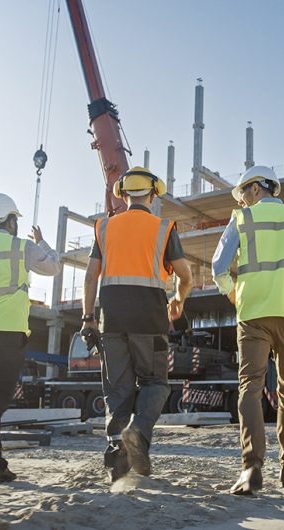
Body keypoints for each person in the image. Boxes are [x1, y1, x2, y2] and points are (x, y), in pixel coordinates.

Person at [212, 165, 284, 495]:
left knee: (250, 387)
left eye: (243, 195)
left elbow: (217, 267)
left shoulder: (242, 219)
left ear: (254, 188)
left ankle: (251, 468)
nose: (243, 202)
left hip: (252, 313)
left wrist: (232, 292)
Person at [81, 167, 192, 482]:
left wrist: (88, 317)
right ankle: (138, 432)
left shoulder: (104, 227)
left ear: (123, 193)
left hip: (112, 320)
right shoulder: (164, 228)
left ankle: (118, 462)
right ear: (154, 194)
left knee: (118, 390)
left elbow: (91, 276)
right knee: (155, 383)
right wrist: (179, 300)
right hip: (150, 319)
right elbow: (186, 276)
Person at [0, 193, 61, 483]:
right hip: (8, 336)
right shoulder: (22, 247)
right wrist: (41, 242)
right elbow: (53, 267)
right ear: (11, 221)